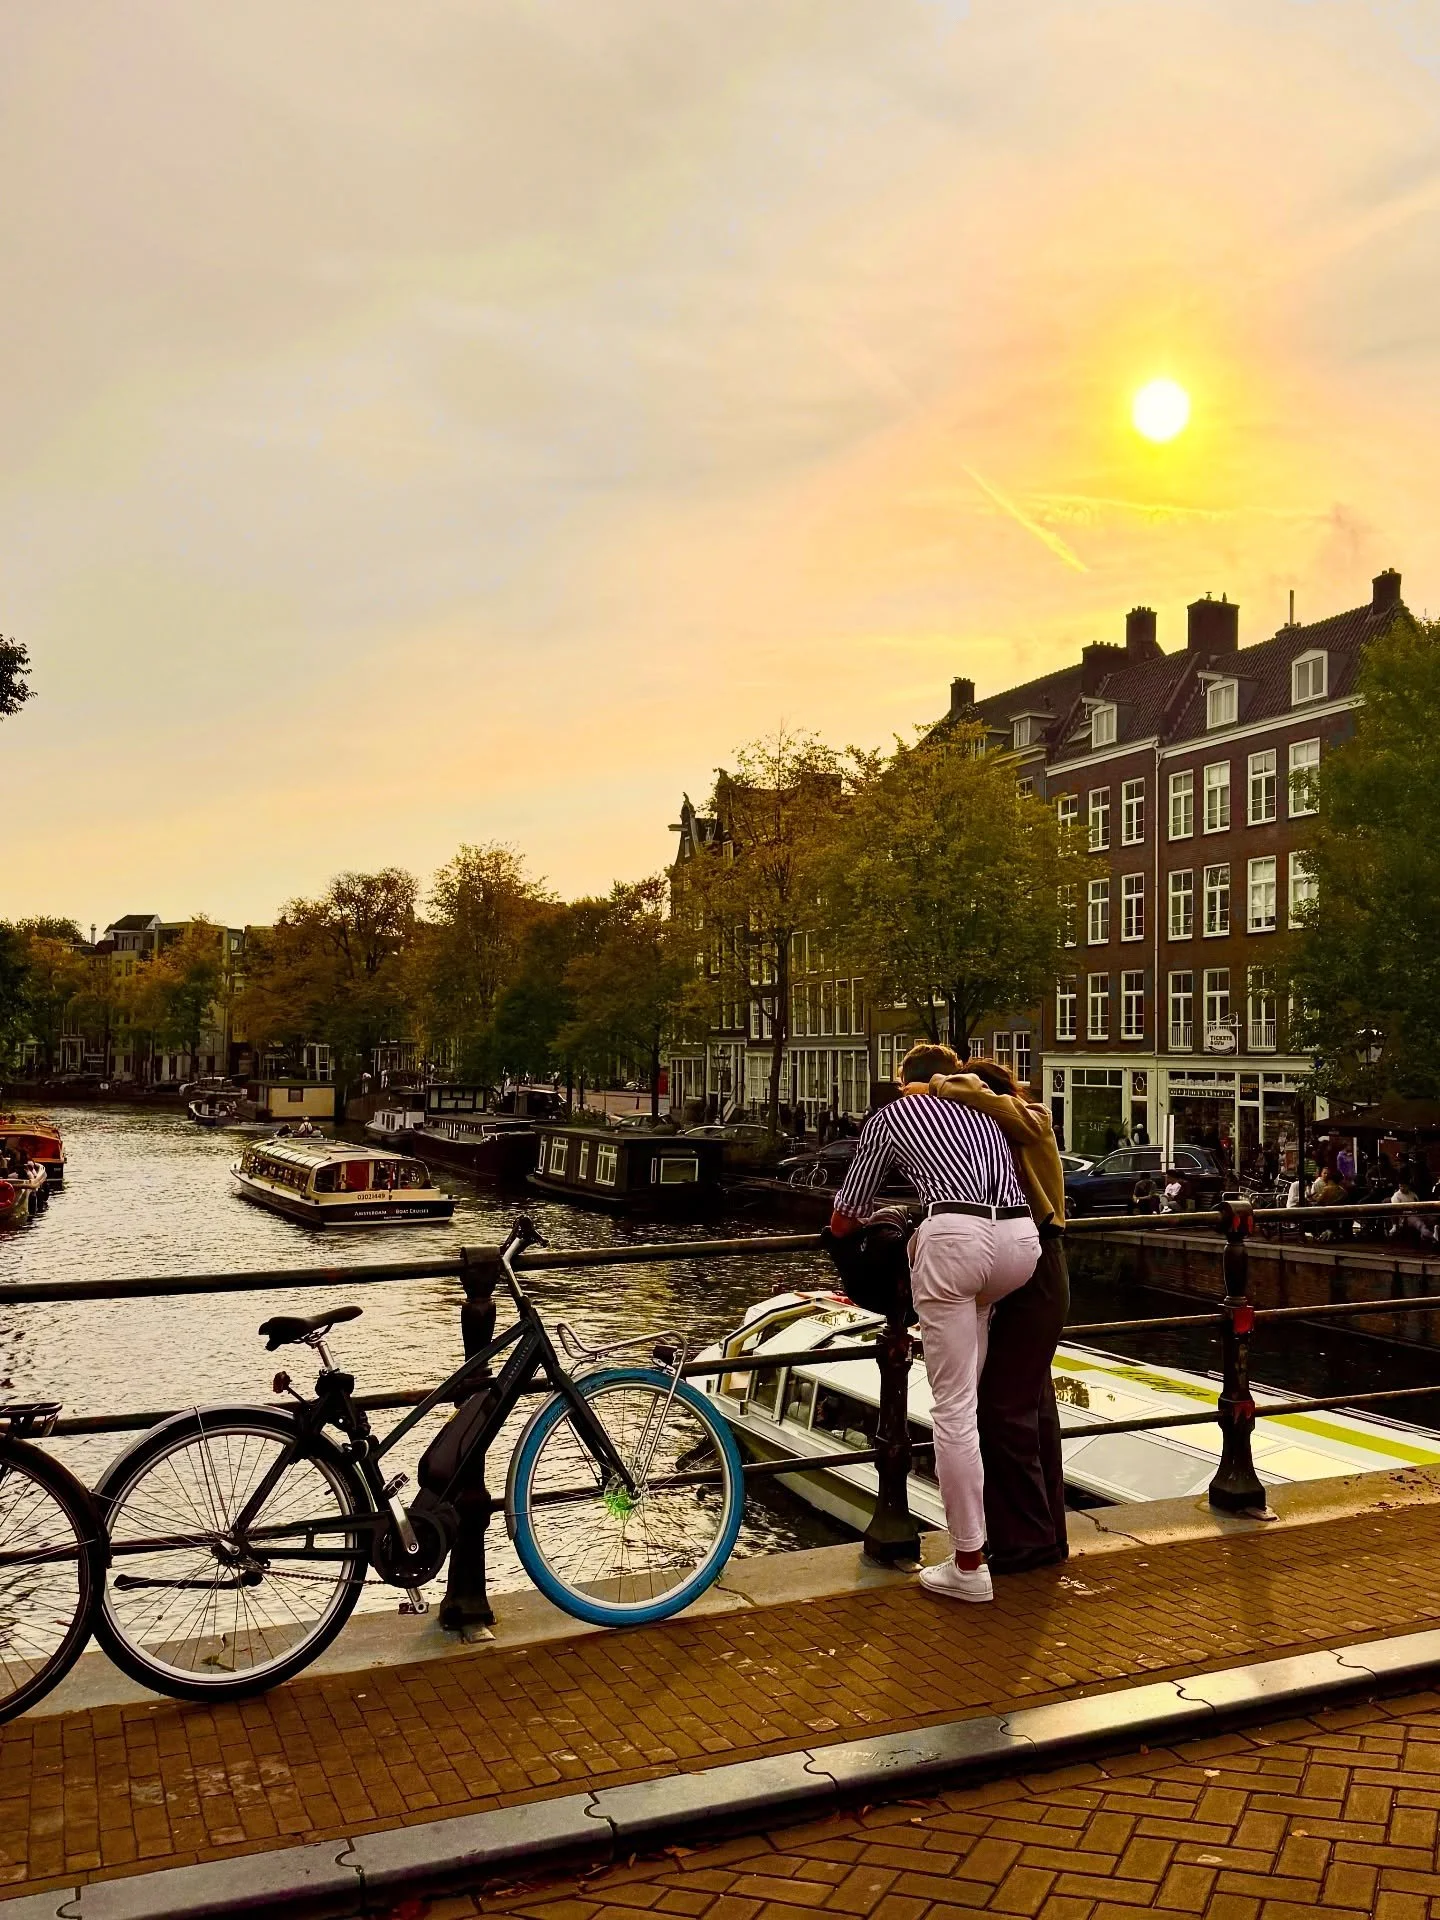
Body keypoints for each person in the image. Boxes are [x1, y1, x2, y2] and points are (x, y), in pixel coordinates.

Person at [831, 1042, 1039, 1605]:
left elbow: (848, 1212)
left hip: (957, 1243)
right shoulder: (983, 1107)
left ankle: (969, 1563)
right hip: (1018, 1245)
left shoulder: (894, 1115)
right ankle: (990, 1537)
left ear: (906, 1084)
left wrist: (853, 1229)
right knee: (968, 1386)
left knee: (952, 1412)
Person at [924, 1058, 1069, 1576]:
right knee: (1033, 1405)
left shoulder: (1025, 1117)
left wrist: (942, 1084)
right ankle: (1047, 1536)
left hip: (1035, 1266)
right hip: (1038, 1264)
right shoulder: (1002, 1129)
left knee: (1004, 1409)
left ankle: (1024, 1544)